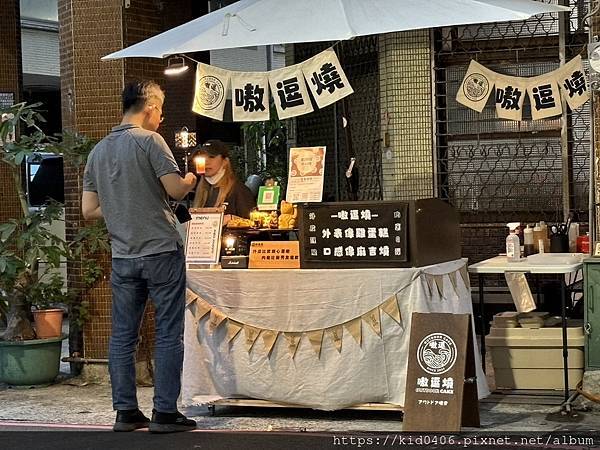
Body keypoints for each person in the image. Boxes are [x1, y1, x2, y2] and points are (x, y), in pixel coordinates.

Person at [81, 81, 198, 433]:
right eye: (160, 111)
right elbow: (175, 189)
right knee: (167, 332)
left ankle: (126, 412)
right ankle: (164, 412)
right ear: (148, 107)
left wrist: (122, 208)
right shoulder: (150, 141)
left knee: (122, 336)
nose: (161, 119)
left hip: (123, 257)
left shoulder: (98, 151)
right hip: (161, 251)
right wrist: (191, 178)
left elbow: (89, 210)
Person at [191, 140, 256, 222]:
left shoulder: (238, 190)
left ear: (225, 161)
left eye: (211, 157)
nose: (206, 162)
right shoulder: (202, 191)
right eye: (203, 158)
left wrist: (231, 219)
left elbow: (252, 224)